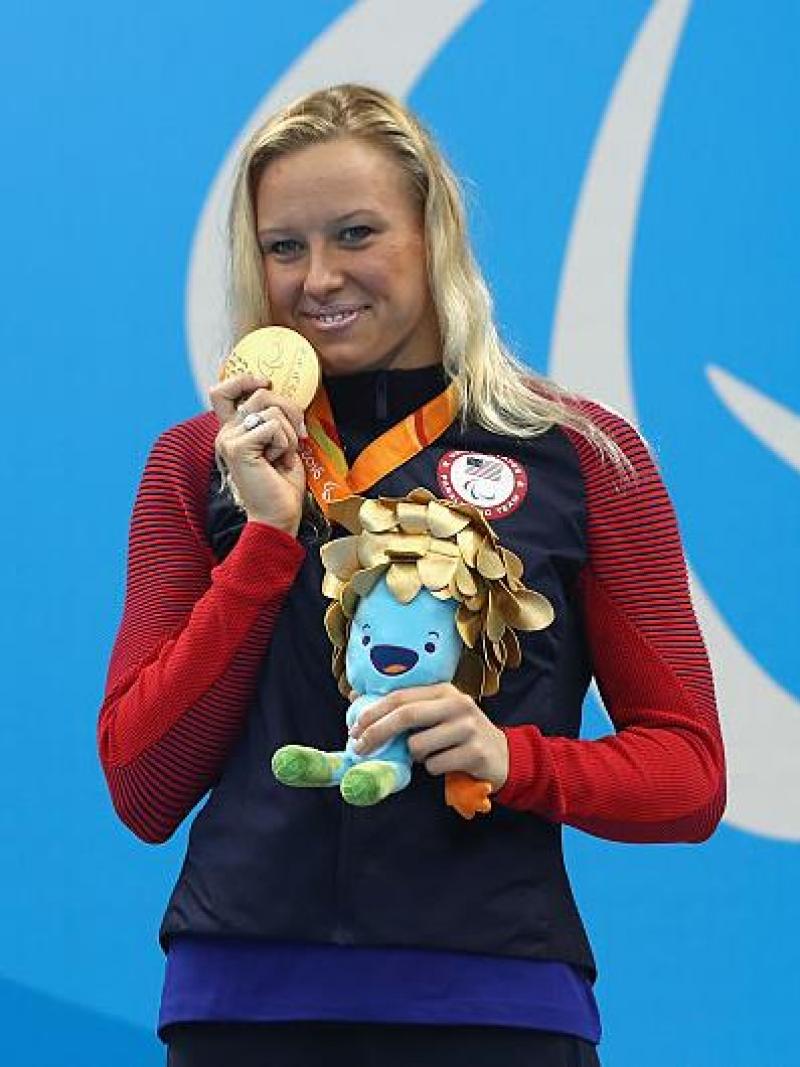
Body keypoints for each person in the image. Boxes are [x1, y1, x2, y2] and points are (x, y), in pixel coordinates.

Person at [98, 83, 726, 1067]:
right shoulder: (198, 461)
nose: (317, 278)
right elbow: (143, 783)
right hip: (242, 1008)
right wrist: (265, 541)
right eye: (282, 246)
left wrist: (515, 759)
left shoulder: (583, 455)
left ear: (434, 235)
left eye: (355, 233)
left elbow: (687, 776)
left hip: (494, 1005)